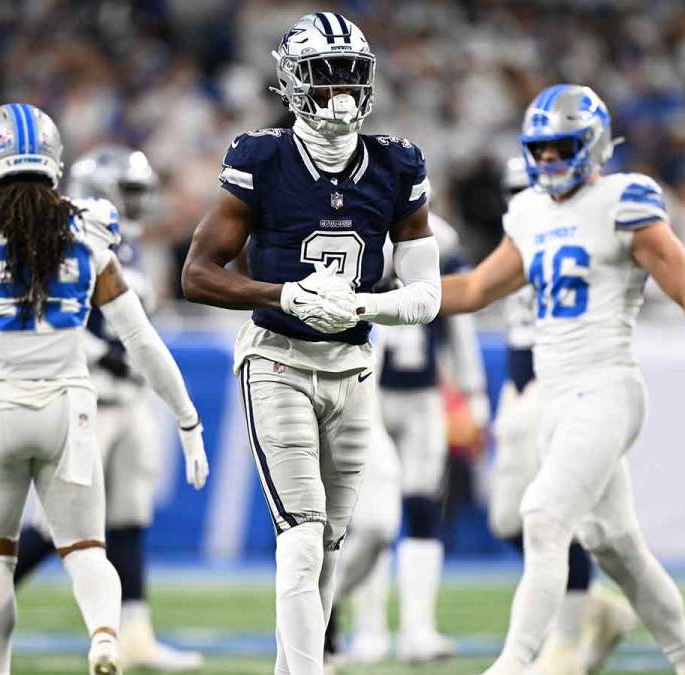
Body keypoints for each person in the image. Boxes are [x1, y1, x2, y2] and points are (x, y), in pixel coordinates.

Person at [0, 104, 209, 675]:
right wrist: (187, 418)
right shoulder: (91, 228)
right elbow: (143, 340)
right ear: (54, 160)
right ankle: (105, 636)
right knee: (87, 551)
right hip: (70, 409)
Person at [438, 85, 685, 675]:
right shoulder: (530, 212)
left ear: (594, 143)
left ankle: (512, 665)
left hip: (605, 387)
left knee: (542, 515)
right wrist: (381, 299)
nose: (550, 159)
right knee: (619, 549)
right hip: (556, 397)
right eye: (541, 149)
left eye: (562, 147)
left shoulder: (623, 200)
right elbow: (475, 288)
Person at [180, 12, 441, 675]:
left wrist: (361, 303)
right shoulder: (262, 157)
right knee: (300, 537)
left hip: (353, 365)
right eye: (326, 77)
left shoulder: (396, 163)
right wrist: (284, 295)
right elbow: (197, 274)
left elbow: (427, 295)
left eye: (352, 77)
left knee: (327, 546)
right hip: (278, 360)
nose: (341, 93)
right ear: (295, 82)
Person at [488, 157, 636, 674]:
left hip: (557, 389)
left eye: (523, 190)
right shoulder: (520, 241)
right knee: (508, 519)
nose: (518, 201)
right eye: (512, 192)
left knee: (554, 518)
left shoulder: (571, 239)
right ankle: (594, 607)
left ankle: (566, 645)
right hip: (518, 392)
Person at [327, 212, 488, 664]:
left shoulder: (441, 238)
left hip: (423, 399)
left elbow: (458, 319)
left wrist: (473, 392)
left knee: (421, 507)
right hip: (369, 396)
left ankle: (418, 628)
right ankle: (367, 628)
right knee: (373, 518)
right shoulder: (360, 230)